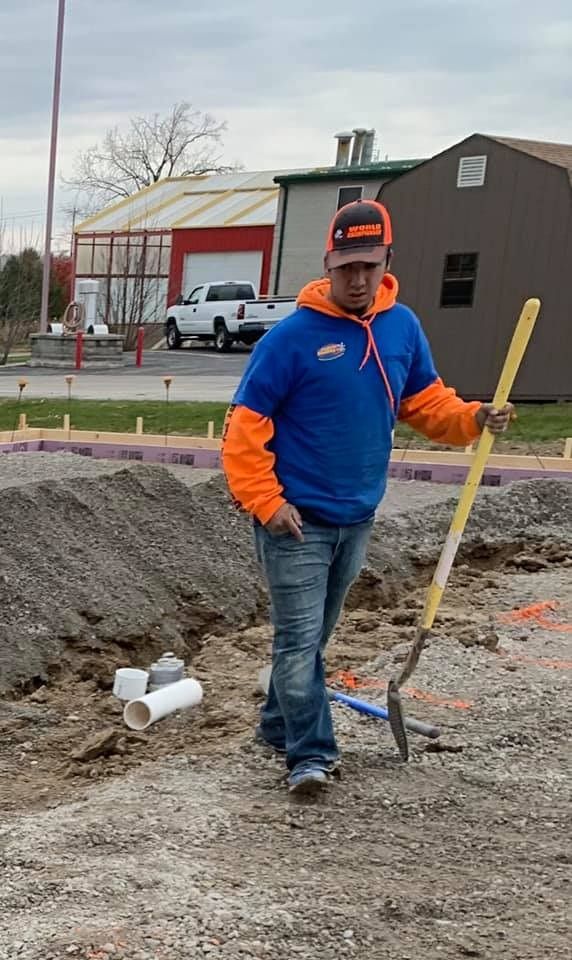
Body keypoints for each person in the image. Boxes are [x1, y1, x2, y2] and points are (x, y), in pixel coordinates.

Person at [222, 199, 513, 796]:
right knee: (298, 642)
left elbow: (425, 402)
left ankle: (277, 725)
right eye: (346, 267)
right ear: (327, 264)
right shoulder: (290, 340)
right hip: (295, 522)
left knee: (313, 639)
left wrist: (472, 417)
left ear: (387, 262)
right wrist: (267, 503)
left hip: (357, 516)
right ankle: (312, 755)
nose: (357, 280)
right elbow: (243, 428)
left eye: (369, 266)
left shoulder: (401, 327)